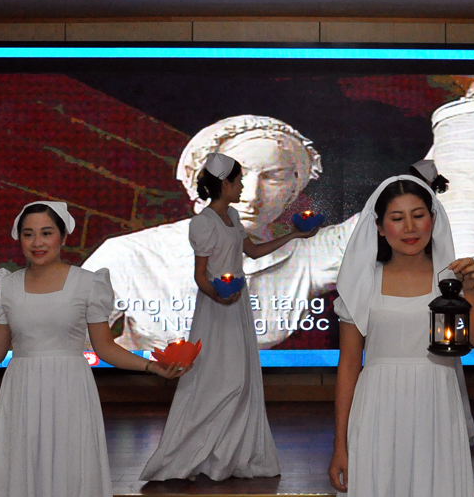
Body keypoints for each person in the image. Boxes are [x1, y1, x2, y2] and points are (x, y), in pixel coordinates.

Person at [0, 201, 189, 497]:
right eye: (29, 234)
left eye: (46, 233)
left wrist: (151, 367)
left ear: (63, 237)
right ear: (19, 238)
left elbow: (105, 348)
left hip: (71, 391)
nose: (37, 242)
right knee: (21, 471)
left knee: (71, 471)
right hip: (21, 391)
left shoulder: (88, 283)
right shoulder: (6, 287)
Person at [84, 115, 357, 349]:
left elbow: (374, 224)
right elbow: (67, 344)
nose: (252, 196)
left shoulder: (304, 257)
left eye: (274, 177)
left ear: (294, 189)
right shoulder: (131, 255)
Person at [141, 153, 317, 481]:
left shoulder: (232, 216)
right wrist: (218, 295)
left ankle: (231, 454)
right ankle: (197, 454)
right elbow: (200, 274)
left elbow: (253, 251)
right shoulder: (203, 223)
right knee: (218, 378)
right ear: (224, 184)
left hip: (236, 303)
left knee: (241, 376)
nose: (242, 188)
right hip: (215, 305)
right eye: (238, 182)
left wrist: (294, 235)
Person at [328, 175, 474, 497]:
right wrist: (340, 445)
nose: (410, 227)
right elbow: (348, 365)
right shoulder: (363, 283)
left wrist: (469, 290)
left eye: (418, 215)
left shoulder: (454, 278)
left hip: (437, 406)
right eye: (397, 218)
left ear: (433, 218)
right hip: (376, 408)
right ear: (379, 226)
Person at [409, 159, 474, 450]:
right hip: (422, 279)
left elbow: (441, 248)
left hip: (437, 282)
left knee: (446, 362)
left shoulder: (435, 208)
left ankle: (459, 430)